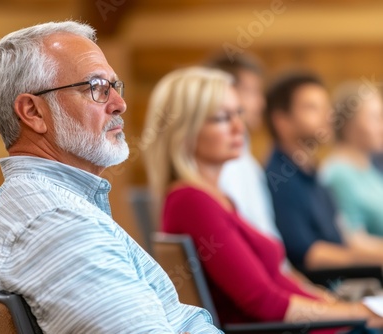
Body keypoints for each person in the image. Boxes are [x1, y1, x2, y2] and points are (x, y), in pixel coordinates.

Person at [0, 21, 220, 333]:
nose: (120, 104)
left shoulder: (49, 204)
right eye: (96, 88)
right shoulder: (56, 222)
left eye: (115, 87)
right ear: (33, 112)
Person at [142, 66, 383, 329]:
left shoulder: (216, 198)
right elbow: (264, 302)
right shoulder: (191, 201)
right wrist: (357, 312)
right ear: (185, 129)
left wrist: (339, 306)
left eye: (239, 114)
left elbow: (275, 282)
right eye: (222, 118)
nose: (239, 127)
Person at [264, 72, 383, 272]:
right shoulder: (280, 178)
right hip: (326, 286)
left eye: (325, 107)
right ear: (282, 121)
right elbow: (306, 253)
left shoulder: (311, 172)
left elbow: (341, 235)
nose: (327, 115)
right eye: (312, 108)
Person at [205, 53, 280, 240]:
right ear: (227, 92)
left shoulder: (247, 160)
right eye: (253, 91)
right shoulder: (225, 165)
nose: (261, 103)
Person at [320, 82, 383, 238]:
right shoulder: (339, 174)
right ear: (348, 125)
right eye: (376, 118)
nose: (382, 127)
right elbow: (353, 240)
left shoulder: (369, 165)